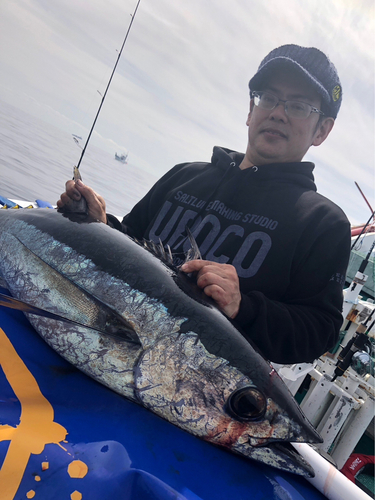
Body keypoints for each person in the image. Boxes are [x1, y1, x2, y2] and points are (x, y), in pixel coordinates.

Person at [57, 44, 351, 365]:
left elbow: (319, 332)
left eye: (298, 106)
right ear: (251, 111)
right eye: (268, 98)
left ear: (322, 129)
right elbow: (130, 242)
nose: (277, 113)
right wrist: (100, 225)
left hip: (190, 384)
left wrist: (243, 307)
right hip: (99, 331)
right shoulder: (183, 175)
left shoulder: (324, 223)